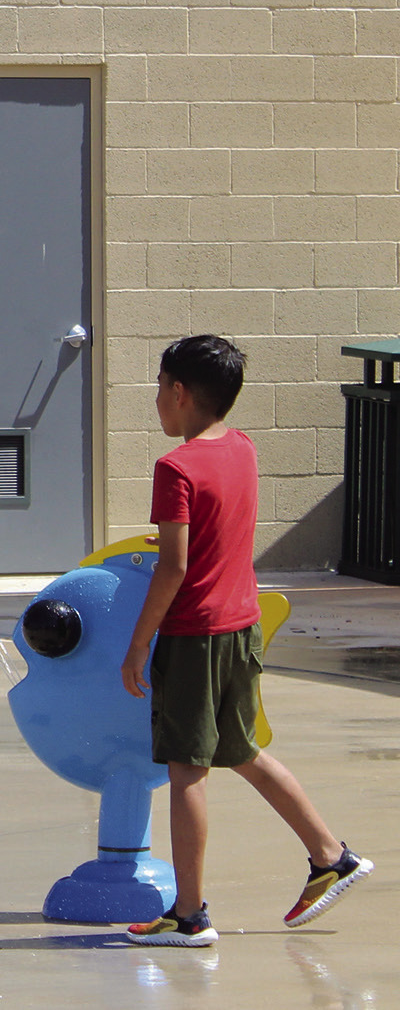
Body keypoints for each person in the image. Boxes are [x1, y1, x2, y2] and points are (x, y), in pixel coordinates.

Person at [121, 335, 373, 948]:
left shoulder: (174, 467)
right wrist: (179, 542)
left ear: (179, 393)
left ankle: (187, 916)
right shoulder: (241, 447)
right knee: (243, 751)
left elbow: (175, 569)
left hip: (195, 635)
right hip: (241, 626)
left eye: (159, 389)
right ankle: (330, 856)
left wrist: (138, 644)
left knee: (187, 771)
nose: (156, 402)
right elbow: (219, 527)